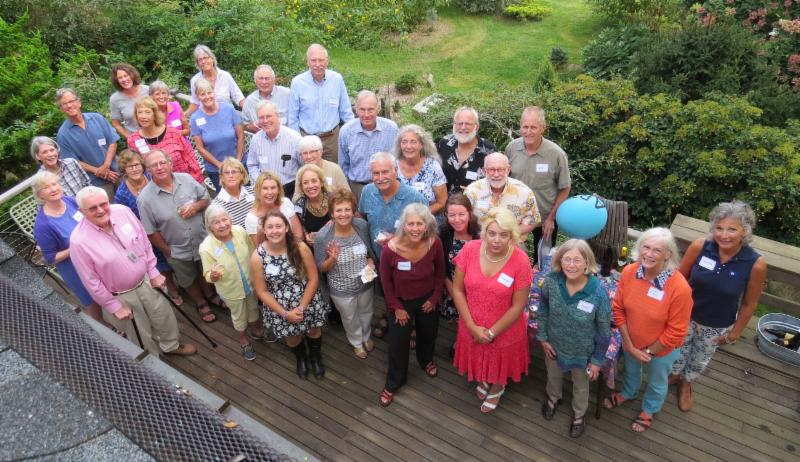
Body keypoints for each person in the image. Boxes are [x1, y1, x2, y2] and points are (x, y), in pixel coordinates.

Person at [70, 186, 197, 357]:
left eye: (103, 204)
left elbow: (144, 241)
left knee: (163, 316)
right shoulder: (78, 241)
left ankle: (171, 345)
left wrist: (153, 271)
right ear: (81, 211)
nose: (100, 210)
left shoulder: (123, 211)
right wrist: (113, 306)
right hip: (121, 296)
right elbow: (90, 280)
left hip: (147, 280)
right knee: (139, 334)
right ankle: (153, 363)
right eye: (92, 208)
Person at [669, 201, 767, 412]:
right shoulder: (700, 246)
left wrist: (735, 333)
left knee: (700, 357)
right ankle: (674, 375)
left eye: (732, 229)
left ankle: (686, 383)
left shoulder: (755, 263)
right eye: (719, 228)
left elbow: (750, 303)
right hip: (685, 315)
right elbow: (679, 279)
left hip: (716, 323)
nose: (724, 235)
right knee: (678, 350)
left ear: (744, 231)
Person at [605, 227, 692, 433]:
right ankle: (629, 392)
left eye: (657, 250)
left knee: (657, 381)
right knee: (631, 370)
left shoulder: (679, 288)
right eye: (646, 247)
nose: (649, 254)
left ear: (668, 254)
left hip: (662, 350)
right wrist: (629, 345)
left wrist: (648, 352)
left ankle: (649, 409)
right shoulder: (629, 272)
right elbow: (618, 309)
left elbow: (677, 331)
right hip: (631, 341)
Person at [451, 208, 532, 413]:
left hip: (505, 328)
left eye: (503, 235)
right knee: (481, 354)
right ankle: (485, 377)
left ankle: (498, 385)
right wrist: (471, 326)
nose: (496, 240)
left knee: (499, 358)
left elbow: (518, 306)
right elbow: (457, 290)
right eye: (492, 233)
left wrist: (491, 333)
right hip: (471, 322)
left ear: (512, 236)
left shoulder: (521, 260)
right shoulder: (469, 249)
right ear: (484, 232)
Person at [538, 239, 611, 438]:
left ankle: (579, 414)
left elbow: (604, 331)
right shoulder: (551, 281)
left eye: (577, 260)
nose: (571, 265)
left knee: (581, 385)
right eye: (566, 259)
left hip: (582, 352)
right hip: (554, 345)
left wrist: (597, 360)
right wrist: (543, 338)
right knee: (552, 375)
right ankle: (554, 398)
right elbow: (543, 308)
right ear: (559, 261)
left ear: (587, 262)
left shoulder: (598, 293)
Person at [137, 150, 221, 324]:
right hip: (177, 248)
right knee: (187, 278)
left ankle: (211, 294)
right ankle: (200, 302)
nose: (159, 167)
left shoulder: (186, 179)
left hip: (203, 242)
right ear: (148, 170)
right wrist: (167, 251)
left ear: (170, 164)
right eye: (154, 165)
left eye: (162, 162)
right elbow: (150, 231)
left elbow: (205, 198)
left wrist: (196, 207)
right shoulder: (145, 199)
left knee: (205, 270)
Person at [378, 203, 445, 407]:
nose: (415, 228)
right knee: (397, 343)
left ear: (427, 225)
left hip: (427, 300)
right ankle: (394, 381)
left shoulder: (434, 242)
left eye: (420, 224)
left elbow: (440, 273)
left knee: (428, 334)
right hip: (401, 302)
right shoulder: (390, 249)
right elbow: (385, 281)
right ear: (403, 225)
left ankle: (426, 360)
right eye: (411, 224)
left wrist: (434, 298)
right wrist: (395, 307)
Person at [250, 211, 330, 379]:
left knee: (313, 331)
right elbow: (261, 291)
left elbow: (313, 279)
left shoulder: (300, 247)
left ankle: (316, 358)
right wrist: (285, 313)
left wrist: (301, 308)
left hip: (307, 301)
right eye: (270, 227)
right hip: (280, 308)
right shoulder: (258, 256)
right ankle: (301, 359)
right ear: (264, 230)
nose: (274, 231)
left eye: (278, 226)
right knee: (292, 338)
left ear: (286, 227)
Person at [31, 171, 106, 327]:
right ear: (40, 194)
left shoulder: (72, 201)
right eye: (46, 187)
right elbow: (50, 258)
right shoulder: (43, 225)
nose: (53, 189)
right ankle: (103, 326)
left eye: (54, 184)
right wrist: (77, 246)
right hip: (73, 266)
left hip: (96, 253)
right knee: (90, 299)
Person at [114, 149, 183, 306]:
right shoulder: (122, 194)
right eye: (129, 166)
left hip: (168, 225)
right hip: (146, 234)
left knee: (177, 256)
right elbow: (123, 219)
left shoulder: (153, 178)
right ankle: (171, 286)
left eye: (137, 165)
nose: (134, 169)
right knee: (160, 261)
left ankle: (185, 282)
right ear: (124, 170)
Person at [201, 205, 270, 360]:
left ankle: (255, 330)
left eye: (224, 219)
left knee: (253, 308)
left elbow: (252, 252)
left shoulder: (239, 231)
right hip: (231, 289)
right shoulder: (206, 247)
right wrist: (213, 275)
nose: (223, 224)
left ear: (230, 219)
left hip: (250, 283)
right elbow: (207, 275)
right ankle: (243, 340)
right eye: (216, 222)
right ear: (210, 226)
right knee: (239, 316)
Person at [314, 189, 377, 359]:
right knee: (349, 317)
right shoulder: (323, 236)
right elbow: (321, 267)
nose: (343, 214)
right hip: (341, 288)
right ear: (332, 213)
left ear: (353, 210)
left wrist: (370, 261)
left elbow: (369, 251)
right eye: (339, 210)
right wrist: (332, 259)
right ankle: (356, 342)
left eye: (347, 209)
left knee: (367, 312)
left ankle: (366, 336)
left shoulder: (361, 226)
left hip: (365, 281)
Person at [506, 106, 571, 261]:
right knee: (511, 258)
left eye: (533, 127)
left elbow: (565, 187)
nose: (528, 132)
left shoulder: (556, 154)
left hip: (544, 218)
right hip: (516, 217)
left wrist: (551, 218)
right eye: (525, 127)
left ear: (543, 128)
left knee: (543, 261)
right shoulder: (511, 148)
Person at [288, 43, 354, 163]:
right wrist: (298, 142)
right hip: (307, 138)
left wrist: (353, 134)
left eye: (321, 60)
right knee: (309, 173)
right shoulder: (297, 82)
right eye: (314, 60)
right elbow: (292, 117)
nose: (317, 64)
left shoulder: (337, 79)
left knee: (333, 172)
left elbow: (346, 112)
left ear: (327, 61)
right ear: (308, 62)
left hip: (332, 139)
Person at [358, 152, 426, 259]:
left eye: (385, 172)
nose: (381, 178)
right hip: (376, 261)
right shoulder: (367, 192)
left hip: (405, 260)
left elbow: (427, 234)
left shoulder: (415, 198)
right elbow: (362, 218)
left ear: (396, 170)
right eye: (376, 173)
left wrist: (397, 239)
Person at [55, 88, 120, 199]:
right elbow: (73, 162)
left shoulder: (97, 118)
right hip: (97, 183)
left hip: (118, 171)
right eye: (64, 104)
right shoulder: (63, 135)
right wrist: (99, 171)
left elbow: (112, 141)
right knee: (108, 208)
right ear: (61, 109)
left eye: (71, 101)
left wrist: (106, 166)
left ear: (79, 102)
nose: (69, 105)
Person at [127, 96, 203, 184]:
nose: (143, 116)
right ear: (136, 116)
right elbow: (138, 168)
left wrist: (195, 182)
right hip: (158, 187)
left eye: (147, 112)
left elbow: (190, 158)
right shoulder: (133, 141)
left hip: (186, 182)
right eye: (140, 112)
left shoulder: (173, 133)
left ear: (154, 115)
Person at [464, 152, 540, 241]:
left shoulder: (524, 192)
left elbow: (532, 221)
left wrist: (506, 236)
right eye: (491, 169)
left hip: (513, 241)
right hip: (480, 241)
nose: (496, 174)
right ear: (484, 171)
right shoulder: (472, 191)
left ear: (508, 170)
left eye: (501, 169)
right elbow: (464, 218)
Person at [338, 90, 398, 202]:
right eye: (362, 109)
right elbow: (343, 165)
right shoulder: (346, 131)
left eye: (370, 109)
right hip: (357, 188)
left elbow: (397, 161)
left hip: (386, 186)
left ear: (378, 109)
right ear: (356, 110)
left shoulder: (391, 129)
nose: (366, 114)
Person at [439, 193, 480, 354]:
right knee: (459, 320)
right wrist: (456, 295)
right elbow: (442, 268)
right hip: (452, 288)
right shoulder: (444, 234)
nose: (457, 220)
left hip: (477, 291)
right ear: (446, 215)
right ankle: (462, 342)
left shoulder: (480, 234)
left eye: (461, 214)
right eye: (452, 215)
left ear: (470, 213)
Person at [190, 79, 244, 191]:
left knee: (246, 195)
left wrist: (238, 161)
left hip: (238, 163)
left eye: (209, 92)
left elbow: (240, 136)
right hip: (216, 169)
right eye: (202, 94)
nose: (207, 97)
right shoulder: (195, 118)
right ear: (198, 96)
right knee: (225, 199)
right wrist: (220, 165)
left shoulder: (229, 109)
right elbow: (200, 148)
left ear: (214, 92)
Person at [246, 101, 302, 199]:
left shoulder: (295, 139)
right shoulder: (256, 140)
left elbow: (304, 167)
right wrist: (260, 181)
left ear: (277, 116)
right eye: (261, 117)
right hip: (265, 191)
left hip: (290, 190)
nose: (265, 120)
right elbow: (252, 165)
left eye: (268, 116)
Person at [437, 106, 497, 193]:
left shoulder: (489, 150)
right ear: (454, 125)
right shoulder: (444, 144)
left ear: (477, 127)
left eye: (468, 124)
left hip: (476, 200)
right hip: (444, 200)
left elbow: (498, 180)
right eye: (459, 123)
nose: (463, 127)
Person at [394, 124, 447, 222]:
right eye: (404, 142)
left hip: (427, 219)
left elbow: (441, 202)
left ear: (422, 145)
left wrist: (417, 216)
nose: (408, 146)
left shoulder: (432, 166)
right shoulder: (393, 166)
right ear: (400, 145)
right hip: (397, 219)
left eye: (413, 142)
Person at [245, 171, 304, 245]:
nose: (270, 192)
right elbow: (258, 247)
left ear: (279, 189)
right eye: (265, 188)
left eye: (273, 188)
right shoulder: (252, 218)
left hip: (293, 247)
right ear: (258, 191)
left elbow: (299, 234)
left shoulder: (285, 202)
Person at [187, 44, 245, 115]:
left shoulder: (225, 76)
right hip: (207, 117)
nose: (203, 61)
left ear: (212, 59)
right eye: (200, 60)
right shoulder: (195, 80)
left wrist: (251, 111)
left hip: (227, 116)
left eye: (206, 58)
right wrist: (184, 115)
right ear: (198, 63)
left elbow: (238, 97)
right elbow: (195, 102)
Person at [294, 135, 349, 201]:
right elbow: (296, 197)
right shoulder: (301, 172)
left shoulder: (335, 169)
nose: (309, 156)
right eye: (305, 153)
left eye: (312, 152)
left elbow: (346, 194)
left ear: (321, 151)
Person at [242, 64, 290, 132]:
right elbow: (244, 124)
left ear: (274, 80)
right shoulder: (250, 100)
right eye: (260, 78)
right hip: (260, 137)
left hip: (285, 136)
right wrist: (251, 127)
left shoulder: (287, 94)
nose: (264, 82)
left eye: (267, 78)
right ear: (255, 81)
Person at [293, 164, 332, 247]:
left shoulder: (333, 199)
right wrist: (307, 236)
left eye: (314, 181)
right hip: (312, 248)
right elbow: (301, 230)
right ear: (301, 187)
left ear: (321, 182)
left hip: (335, 245)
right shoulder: (299, 205)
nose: (310, 186)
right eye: (305, 183)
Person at [109, 63, 149, 140]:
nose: (124, 79)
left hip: (155, 134)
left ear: (132, 75)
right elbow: (116, 124)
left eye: (126, 75)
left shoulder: (148, 90)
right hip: (136, 139)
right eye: (120, 78)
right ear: (116, 80)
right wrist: (130, 138)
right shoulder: (115, 99)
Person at [211, 158, 254, 228]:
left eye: (234, 172)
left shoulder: (254, 192)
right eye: (226, 173)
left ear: (242, 175)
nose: (230, 176)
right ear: (221, 177)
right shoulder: (216, 205)